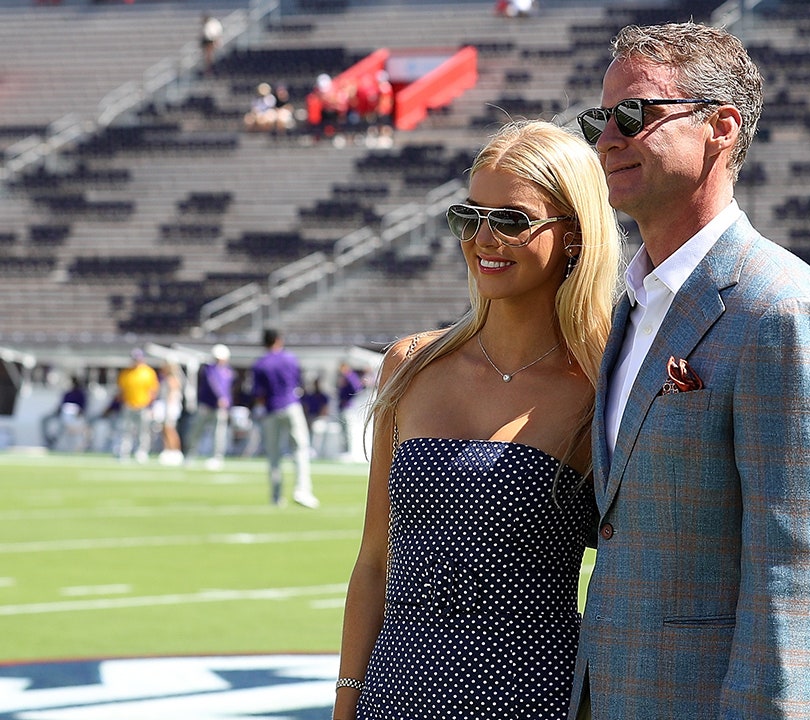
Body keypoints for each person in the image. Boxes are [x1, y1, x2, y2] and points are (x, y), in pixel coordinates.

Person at [572, 23, 810, 719]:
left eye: (634, 114)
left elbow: (796, 571)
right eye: (598, 119)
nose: (606, 139)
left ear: (721, 128)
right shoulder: (632, 302)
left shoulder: (781, 308)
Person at [333, 120, 622, 720]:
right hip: (393, 696)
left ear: (574, 235)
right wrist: (346, 699)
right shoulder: (410, 364)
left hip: (530, 698)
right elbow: (374, 561)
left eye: (512, 220)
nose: (484, 238)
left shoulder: (603, 385)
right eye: (470, 217)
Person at [251, 329, 318, 508]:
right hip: (291, 405)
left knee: (273, 454)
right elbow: (298, 383)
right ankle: (302, 490)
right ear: (278, 340)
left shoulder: (260, 363)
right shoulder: (290, 358)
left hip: (270, 409)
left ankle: (276, 496)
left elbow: (258, 393)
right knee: (300, 449)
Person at [186, 344, 234, 470]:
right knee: (196, 431)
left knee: (219, 434)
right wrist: (220, 397)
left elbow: (227, 389)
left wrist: (226, 401)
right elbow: (213, 384)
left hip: (220, 408)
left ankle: (217, 457)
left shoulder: (227, 371)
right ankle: (190, 454)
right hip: (206, 405)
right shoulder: (209, 369)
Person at [115, 349, 159, 463]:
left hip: (143, 406)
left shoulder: (148, 372)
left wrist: (151, 406)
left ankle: (142, 452)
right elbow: (121, 390)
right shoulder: (126, 373)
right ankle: (124, 452)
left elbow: (153, 391)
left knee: (143, 431)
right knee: (126, 430)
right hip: (129, 405)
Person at [42, 376, 88, 450]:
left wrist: (78, 414)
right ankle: (50, 441)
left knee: (64, 427)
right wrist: (58, 412)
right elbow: (61, 405)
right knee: (44, 420)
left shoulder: (80, 394)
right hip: (63, 414)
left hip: (74, 415)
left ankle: (56, 441)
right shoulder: (67, 393)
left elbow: (82, 407)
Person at [156, 362, 186, 466]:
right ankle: (168, 450)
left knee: (170, 430)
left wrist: (168, 408)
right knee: (165, 430)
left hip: (170, 407)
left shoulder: (172, 379)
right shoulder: (168, 378)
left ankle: (175, 451)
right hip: (168, 406)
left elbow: (172, 395)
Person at [335, 362, 365, 458]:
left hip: (348, 406)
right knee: (343, 429)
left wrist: (348, 398)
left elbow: (357, 388)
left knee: (347, 429)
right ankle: (345, 450)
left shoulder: (350, 376)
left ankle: (348, 451)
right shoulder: (345, 377)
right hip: (343, 406)